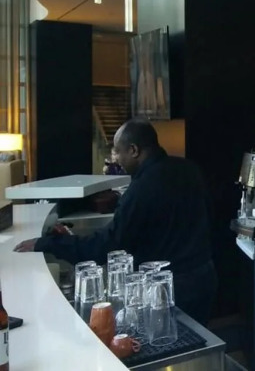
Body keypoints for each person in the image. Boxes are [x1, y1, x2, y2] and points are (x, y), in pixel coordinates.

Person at [14, 118, 217, 325]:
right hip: (204, 278)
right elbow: (207, 218)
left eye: (118, 152)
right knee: (200, 336)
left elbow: (109, 245)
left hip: (170, 288)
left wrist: (50, 243)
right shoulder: (189, 169)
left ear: (134, 150)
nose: (116, 159)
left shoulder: (141, 189)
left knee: (169, 339)